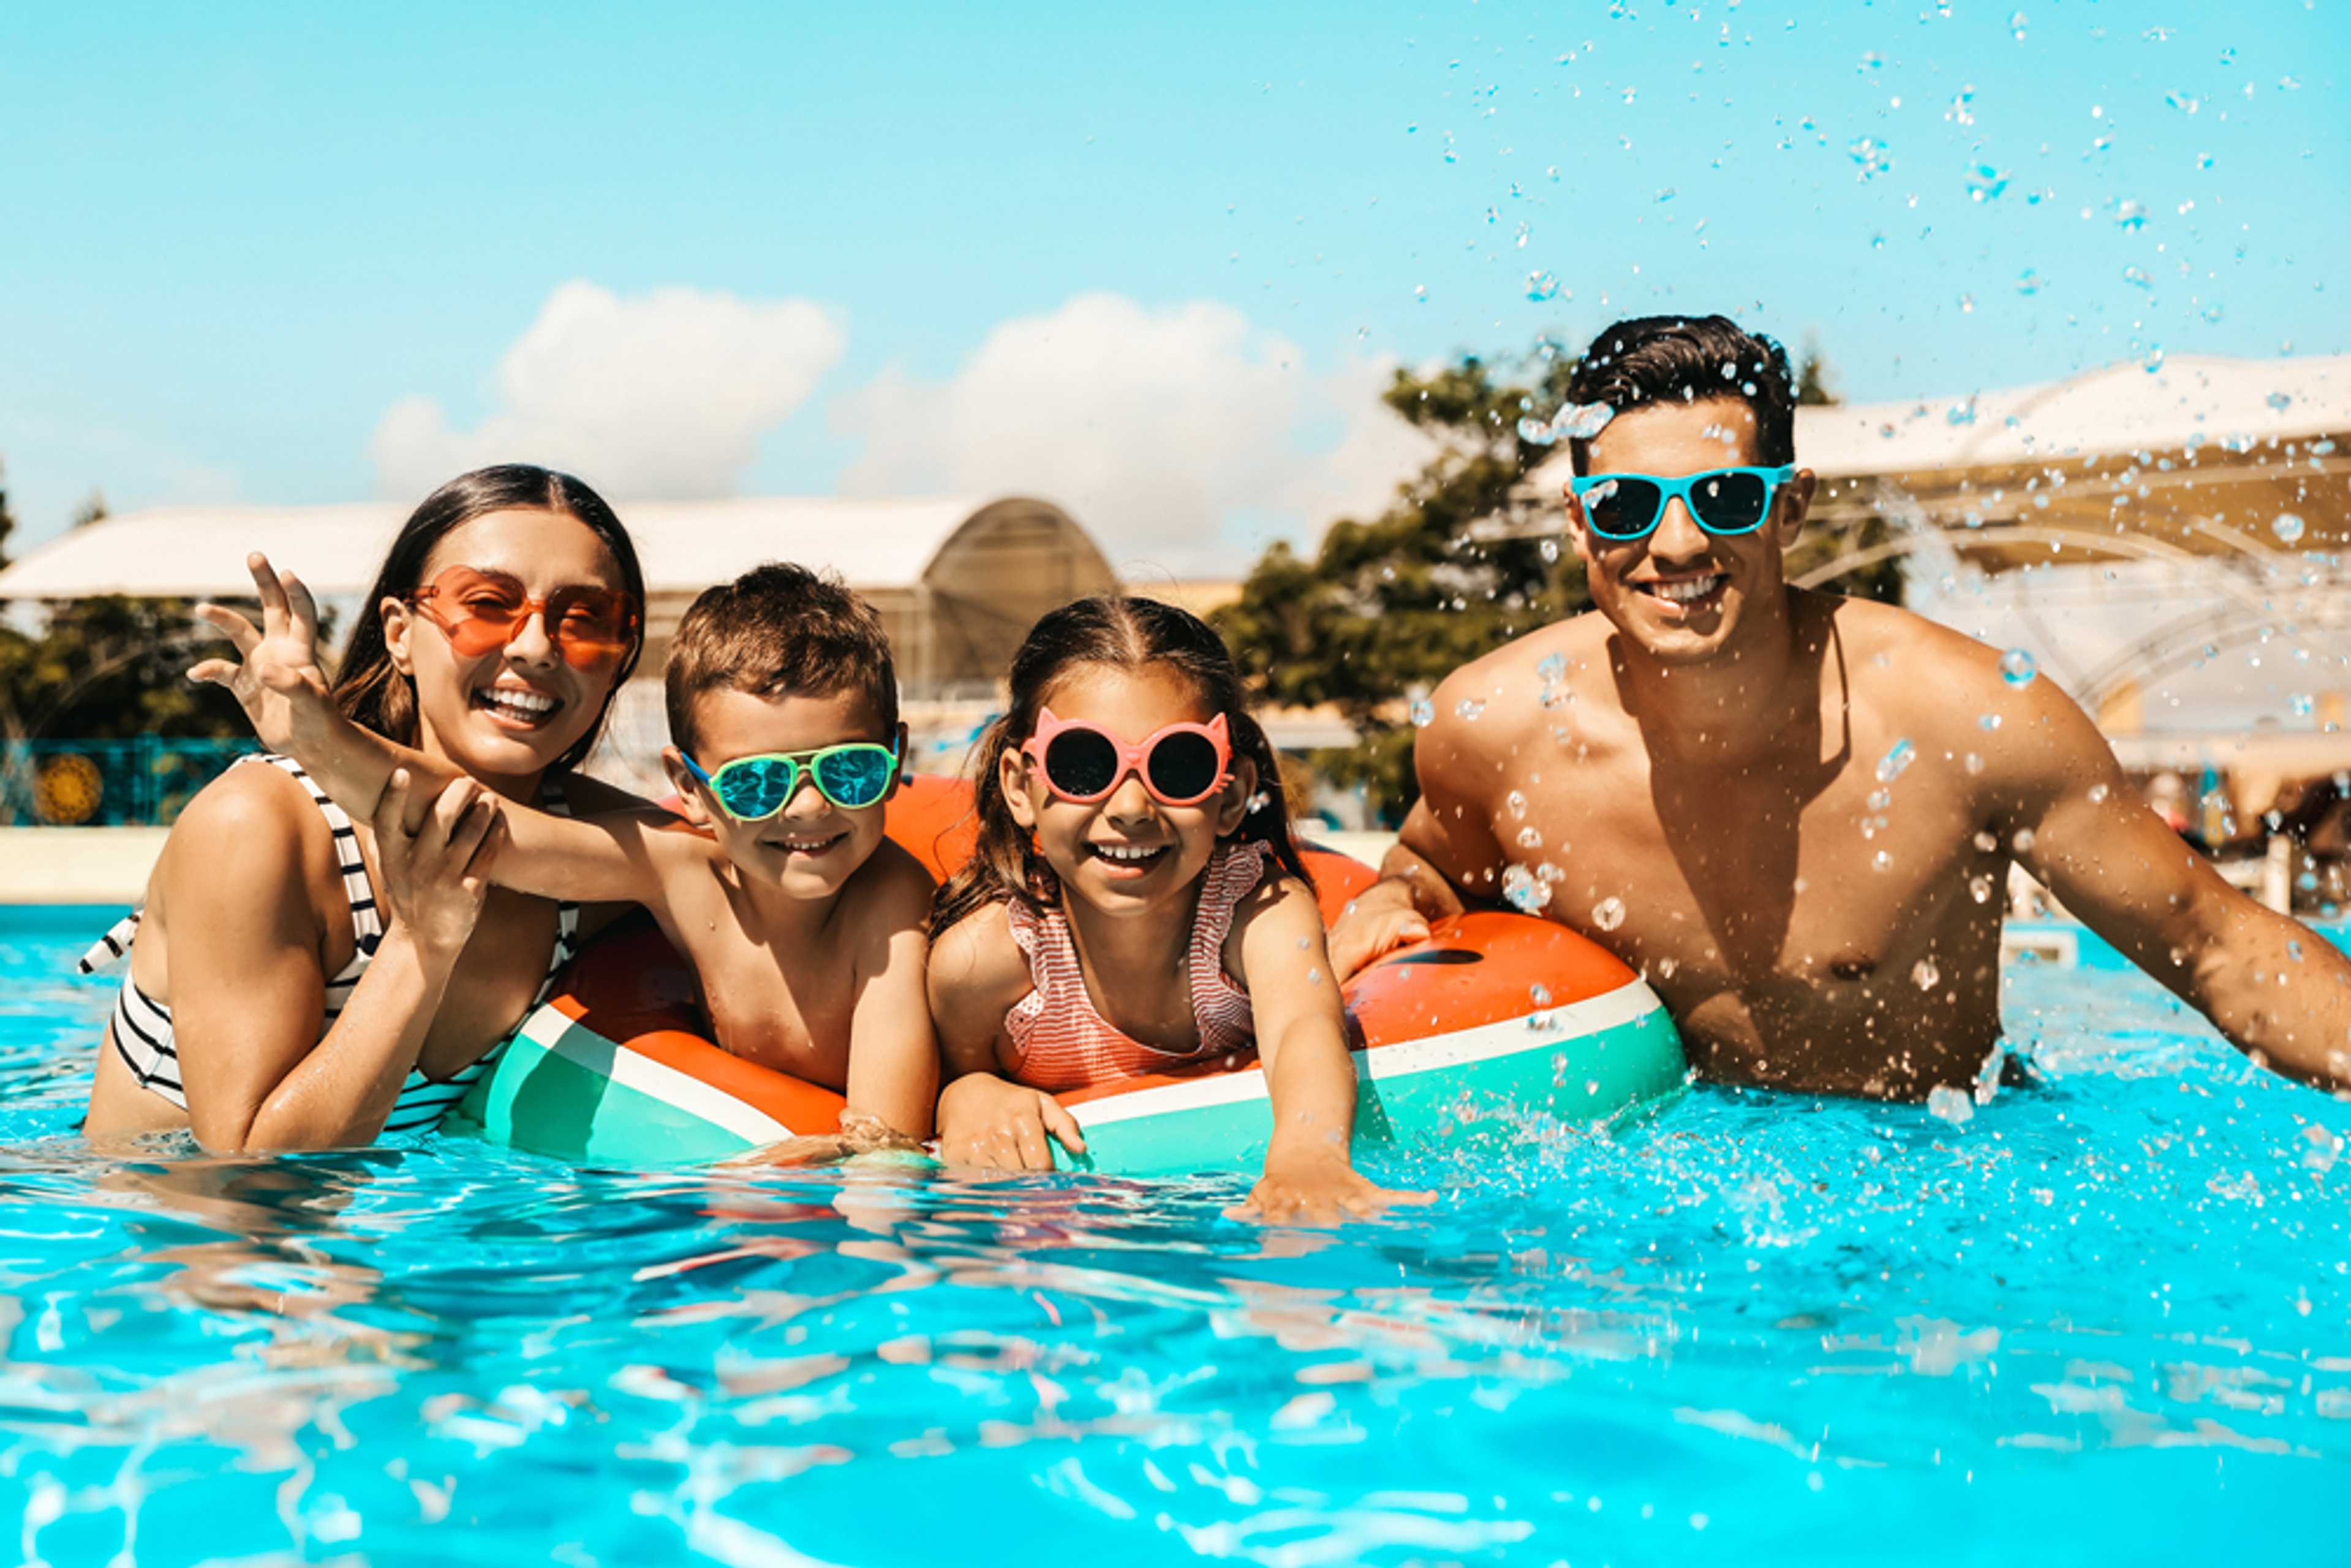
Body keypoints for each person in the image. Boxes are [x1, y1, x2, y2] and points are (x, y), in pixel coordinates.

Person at [1330, 314, 2351, 1099]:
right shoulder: (1494, 728)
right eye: (1626, 506)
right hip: (1659, 1221)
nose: (1677, 544)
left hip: (1937, 1182)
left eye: (1725, 499)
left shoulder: (1963, 719)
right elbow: (1429, 869)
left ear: (1791, 503)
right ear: (1580, 521)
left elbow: (2222, 950)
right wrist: (1389, 902)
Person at [196, 559, 941, 1152]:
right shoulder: (680, 872)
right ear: (690, 787)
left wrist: (847, 1156)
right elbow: (486, 826)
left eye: (848, 771)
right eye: (756, 783)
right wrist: (319, 738)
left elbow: (887, 1143)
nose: (808, 807)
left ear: (895, 756)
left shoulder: (888, 900)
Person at [83, 465, 649, 1150]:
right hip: (155, 1229)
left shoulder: (606, 856)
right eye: (487, 605)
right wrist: (422, 939)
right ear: (399, 633)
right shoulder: (258, 827)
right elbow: (253, 1176)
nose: (535, 648)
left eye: (585, 618)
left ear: (619, 657)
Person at [925, 596, 1431, 1222]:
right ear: (1019, 786)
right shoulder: (984, 963)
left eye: (1179, 764)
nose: (1133, 806)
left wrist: (1308, 1155)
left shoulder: (1256, 912)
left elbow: (1303, 1027)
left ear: (1231, 794)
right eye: (1083, 764)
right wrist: (967, 1094)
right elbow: (933, 1085)